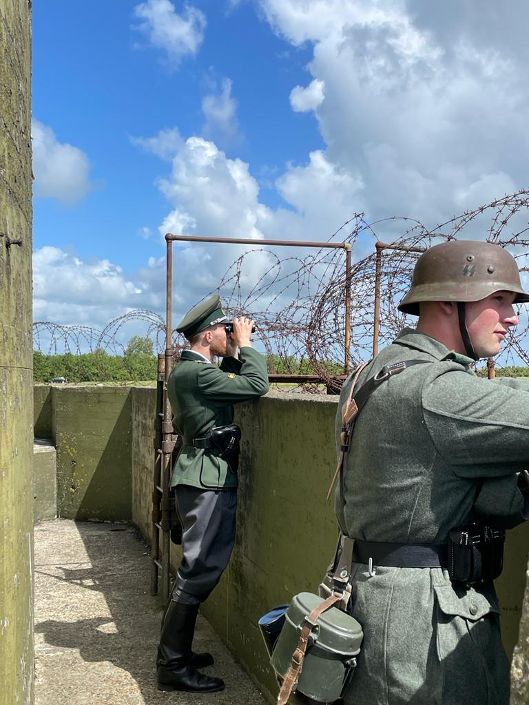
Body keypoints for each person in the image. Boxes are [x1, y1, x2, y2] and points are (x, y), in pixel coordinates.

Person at [335, 239, 529, 705]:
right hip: (426, 621)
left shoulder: (372, 371)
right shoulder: (436, 390)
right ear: (448, 301)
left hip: (375, 593)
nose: (513, 318)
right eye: (498, 300)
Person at [156, 293, 269, 693]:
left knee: (198, 567)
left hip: (201, 473)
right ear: (207, 336)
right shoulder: (197, 373)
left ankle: (178, 654)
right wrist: (249, 345)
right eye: (225, 330)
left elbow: (232, 383)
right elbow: (256, 385)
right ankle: (171, 664)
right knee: (199, 567)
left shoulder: (193, 371)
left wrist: (236, 348)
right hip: (206, 478)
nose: (231, 334)